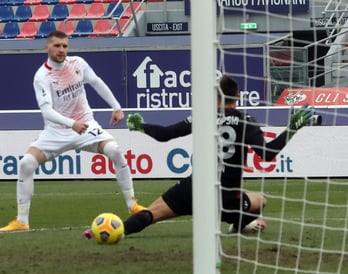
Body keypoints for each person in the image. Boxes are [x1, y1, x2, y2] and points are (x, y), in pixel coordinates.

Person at [82, 74, 314, 239]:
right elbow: (268, 154)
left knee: (150, 214)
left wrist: (141, 125)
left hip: (192, 191)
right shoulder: (247, 121)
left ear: (216, 96)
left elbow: (166, 134)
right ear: (238, 96)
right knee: (260, 201)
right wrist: (291, 129)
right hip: (226, 200)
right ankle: (238, 225)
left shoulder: (203, 117)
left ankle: (109, 231)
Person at [0, 30, 145, 232]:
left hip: (86, 126)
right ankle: (22, 221)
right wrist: (70, 123)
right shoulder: (42, 76)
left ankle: (132, 206)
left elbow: (96, 82)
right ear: (47, 47)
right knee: (26, 164)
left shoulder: (78, 64)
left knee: (116, 152)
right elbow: (47, 111)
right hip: (56, 131)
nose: (61, 50)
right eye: (57, 46)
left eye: (65, 46)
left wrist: (116, 107)